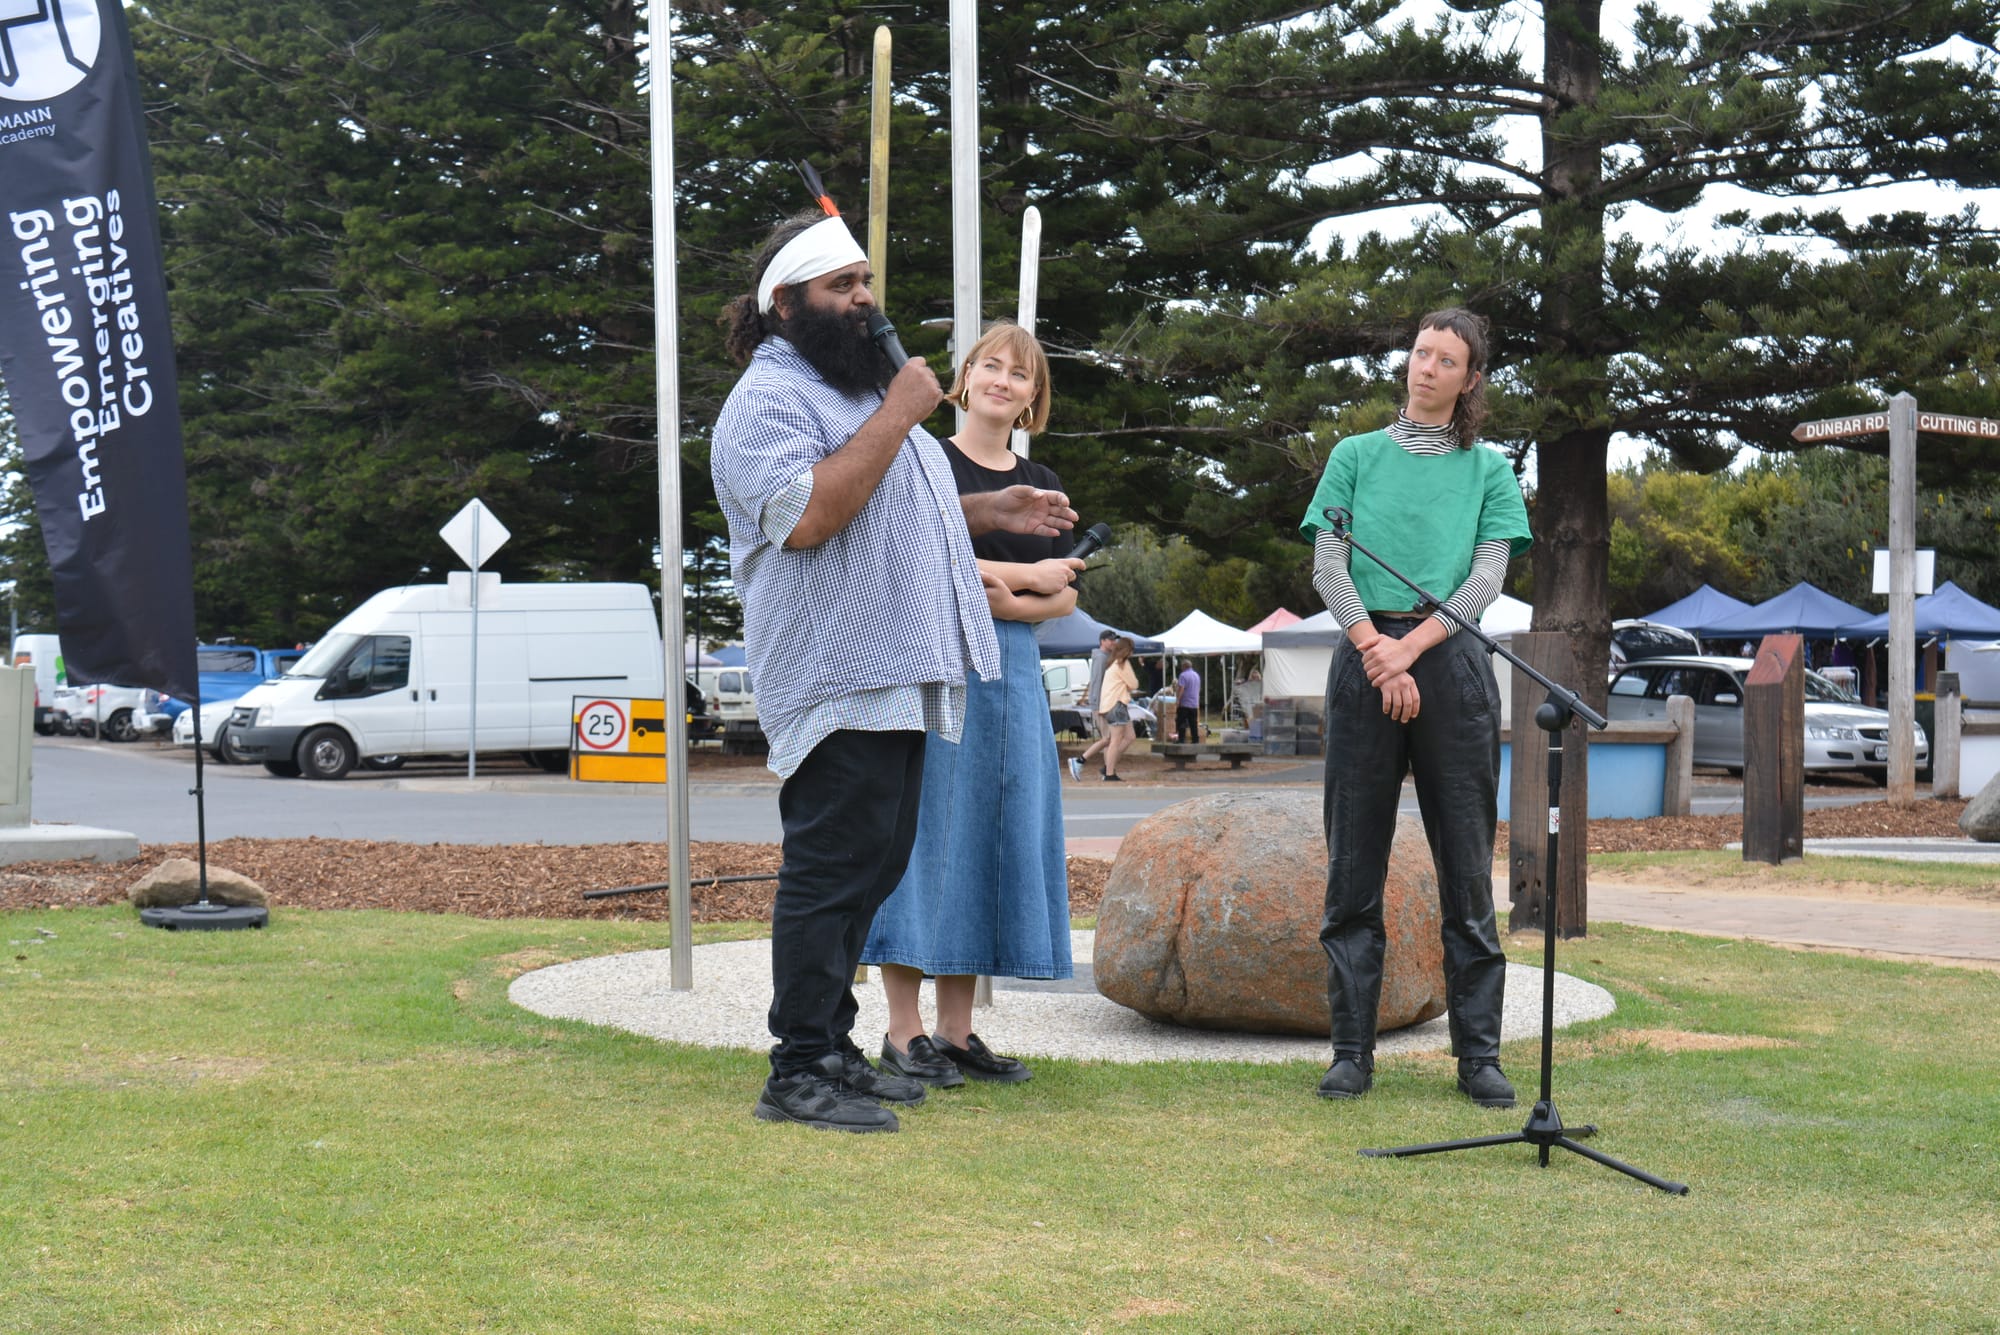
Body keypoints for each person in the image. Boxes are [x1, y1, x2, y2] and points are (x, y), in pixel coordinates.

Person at [711, 211, 1076, 1133]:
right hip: (836, 675)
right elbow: (810, 516)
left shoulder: (853, 390)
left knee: (869, 871)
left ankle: (834, 1047)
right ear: (787, 304)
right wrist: (901, 413)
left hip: (899, 674)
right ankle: (795, 1067)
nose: (864, 300)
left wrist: (995, 502)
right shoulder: (768, 400)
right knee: (828, 874)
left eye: (866, 282)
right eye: (843, 288)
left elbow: (899, 506)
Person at [1299, 307, 1533, 1109]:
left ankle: (1479, 1056)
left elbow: (1486, 577)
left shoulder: (1489, 471)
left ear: (1470, 379)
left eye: (1445, 358)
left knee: (1466, 869)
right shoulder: (1355, 456)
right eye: (1419, 352)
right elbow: (1330, 563)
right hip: (1365, 656)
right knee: (1352, 866)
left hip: (1454, 665)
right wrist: (1375, 646)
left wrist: (1413, 646)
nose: (1425, 366)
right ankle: (1351, 1050)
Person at [862, 321, 1085, 1088]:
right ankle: (903, 1030)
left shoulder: (1041, 473)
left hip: (1016, 677)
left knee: (994, 834)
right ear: (962, 376)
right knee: (928, 835)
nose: (1001, 380)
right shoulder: (928, 461)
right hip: (942, 659)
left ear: (1033, 397)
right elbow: (930, 560)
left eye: (1018, 374)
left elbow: (1067, 594)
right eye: (990, 365)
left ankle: (956, 1032)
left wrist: (1008, 591)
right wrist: (1025, 583)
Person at [1076, 636, 1138, 780]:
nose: (1133, 653)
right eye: (1132, 649)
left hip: (1112, 705)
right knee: (1114, 741)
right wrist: (1128, 686)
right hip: (1116, 705)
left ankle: (1108, 765)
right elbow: (1134, 684)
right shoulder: (1123, 664)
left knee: (1130, 737)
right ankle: (1109, 773)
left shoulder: (1113, 663)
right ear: (1127, 650)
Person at [1175, 658, 1201, 743]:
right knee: (1193, 723)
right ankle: (1195, 740)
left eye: (1182, 666)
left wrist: (1178, 700)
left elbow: (1181, 688)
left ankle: (1181, 739)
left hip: (1185, 703)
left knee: (1181, 722)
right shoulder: (1196, 675)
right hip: (1194, 703)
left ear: (1184, 666)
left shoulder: (1183, 675)